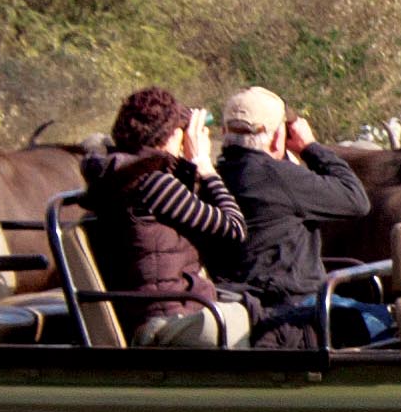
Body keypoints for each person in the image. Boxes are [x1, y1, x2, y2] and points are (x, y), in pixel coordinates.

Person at [76, 86, 254, 347]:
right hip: (167, 319)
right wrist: (204, 166)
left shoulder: (125, 177)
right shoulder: (152, 183)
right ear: (171, 135)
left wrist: (186, 167)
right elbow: (235, 228)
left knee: (248, 308)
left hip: (156, 313)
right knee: (261, 320)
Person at [215, 86, 372, 348]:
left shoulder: (213, 177)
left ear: (223, 132)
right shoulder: (279, 177)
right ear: (278, 137)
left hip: (243, 302)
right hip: (296, 308)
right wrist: (310, 147)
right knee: (389, 320)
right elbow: (357, 200)